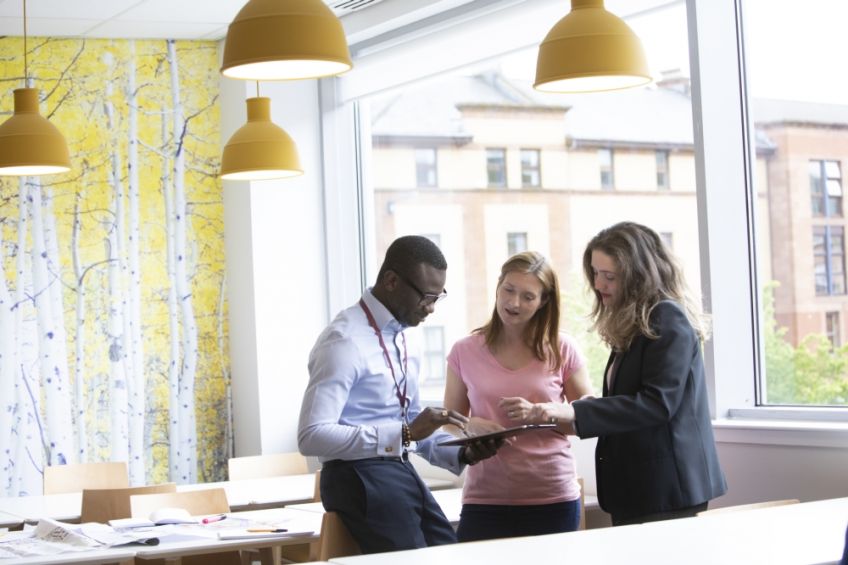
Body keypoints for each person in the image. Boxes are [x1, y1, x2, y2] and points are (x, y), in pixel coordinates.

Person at [298, 235, 502, 554]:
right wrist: (404, 433)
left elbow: (408, 429)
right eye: (426, 297)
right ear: (391, 281)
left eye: (439, 296)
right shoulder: (343, 341)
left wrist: (461, 453)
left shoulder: (406, 338)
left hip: (397, 468)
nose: (432, 308)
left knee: (452, 555)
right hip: (354, 476)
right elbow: (311, 436)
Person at [531, 221, 727, 525]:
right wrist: (573, 419)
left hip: (666, 489)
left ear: (639, 278)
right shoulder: (637, 323)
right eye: (595, 273)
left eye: (610, 276)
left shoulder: (666, 318)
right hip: (642, 487)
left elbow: (657, 403)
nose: (599, 284)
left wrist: (575, 412)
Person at [443, 251, 594, 541]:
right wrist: (471, 425)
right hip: (484, 499)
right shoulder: (464, 350)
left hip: (552, 498)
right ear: (498, 287)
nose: (514, 303)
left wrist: (543, 411)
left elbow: (587, 416)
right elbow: (448, 421)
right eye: (509, 290)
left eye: (528, 296)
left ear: (544, 301)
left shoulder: (562, 348)